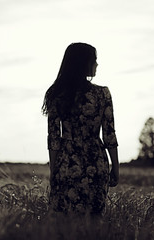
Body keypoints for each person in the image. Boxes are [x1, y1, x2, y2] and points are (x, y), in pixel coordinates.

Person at [42, 42, 119, 216]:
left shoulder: (56, 93)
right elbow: (109, 135)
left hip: (66, 163)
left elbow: (53, 139)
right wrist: (115, 168)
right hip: (96, 162)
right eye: (94, 60)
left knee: (65, 222)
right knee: (93, 222)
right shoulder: (102, 94)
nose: (97, 64)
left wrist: (54, 172)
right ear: (83, 62)